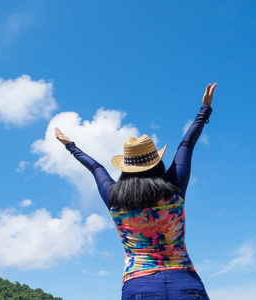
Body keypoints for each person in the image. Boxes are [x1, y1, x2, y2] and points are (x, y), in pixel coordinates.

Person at [55, 83, 217, 300]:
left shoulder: (115, 197)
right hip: (185, 283)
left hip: (139, 285)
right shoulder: (173, 188)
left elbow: (96, 168)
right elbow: (186, 145)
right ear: (157, 162)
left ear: (126, 167)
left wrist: (71, 146)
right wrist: (204, 110)